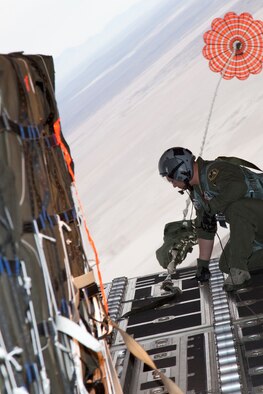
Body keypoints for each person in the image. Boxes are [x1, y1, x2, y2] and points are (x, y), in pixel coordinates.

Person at [158, 147, 263, 291]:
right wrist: (203, 266)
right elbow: (205, 228)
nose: (174, 185)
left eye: (172, 180)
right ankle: (238, 267)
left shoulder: (214, 171)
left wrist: (211, 207)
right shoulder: (198, 192)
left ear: (181, 171)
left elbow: (239, 187)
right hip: (257, 229)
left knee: (237, 209)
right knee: (226, 264)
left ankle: (239, 271)